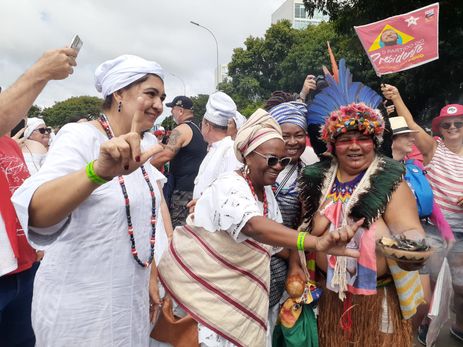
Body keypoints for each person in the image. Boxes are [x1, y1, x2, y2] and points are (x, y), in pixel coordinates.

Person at [156, 109, 362, 347]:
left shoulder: (265, 193)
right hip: (210, 303)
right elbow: (252, 225)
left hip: (241, 303)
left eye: (282, 161)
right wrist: (313, 242)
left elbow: (272, 244)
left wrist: (301, 262)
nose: (278, 166)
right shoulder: (230, 185)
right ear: (248, 156)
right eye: (271, 159)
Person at [12, 55, 173, 346]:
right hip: (80, 313)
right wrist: (96, 173)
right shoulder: (80, 137)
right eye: (150, 93)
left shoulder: (143, 146)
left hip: (128, 307)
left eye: (162, 97)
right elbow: (37, 213)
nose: (159, 105)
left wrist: (151, 273)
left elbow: (145, 222)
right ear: (119, 93)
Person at [302, 60, 425, 346]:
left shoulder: (392, 182)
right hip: (329, 298)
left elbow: (411, 233)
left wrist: (408, 244)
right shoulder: (318, 180)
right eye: (345, 139)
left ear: (375, 140)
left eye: (363, 138)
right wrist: (317, 227)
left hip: (378, 300)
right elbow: (302, 233)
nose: (355, 146)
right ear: (332, 145)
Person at [0, 46, 76, 347]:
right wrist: (41, 72)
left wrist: (33, 244)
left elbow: (19, 197)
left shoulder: (10, 146)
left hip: (22, 271)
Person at [382, 84, 463, 343]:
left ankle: (457, 325)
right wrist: (396, 97)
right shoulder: (433, 150)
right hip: (435, 229)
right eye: (447, 125)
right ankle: (426, 326)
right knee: (433, 287)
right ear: (439, 129)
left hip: (460, 229)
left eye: (458, 124)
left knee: (460, 285)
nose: (452, 129)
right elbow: (413, 125)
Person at [151, 96, 207, 227]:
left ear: (180, 111)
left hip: (182, 191)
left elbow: (166, 156)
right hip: (193, 188)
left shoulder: (180, 129)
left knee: (179, 230)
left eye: (173, 109)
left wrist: (144, 169)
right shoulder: (196, 128)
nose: (171, 113)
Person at [192, 91, 242, 200]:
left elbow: (231, 195)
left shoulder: (230, 151)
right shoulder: (216, 148)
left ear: (207, 125)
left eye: (202, 124)